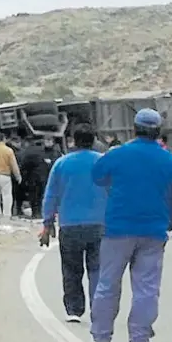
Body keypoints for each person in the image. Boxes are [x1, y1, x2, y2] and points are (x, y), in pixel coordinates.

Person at [90, 108, 172, 342]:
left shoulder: (118, 154)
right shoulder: (170, 161)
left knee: (107, 282)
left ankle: (102, 336)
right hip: (153, 232)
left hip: (117, 229)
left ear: (134, 129)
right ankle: (139, 340)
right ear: (159, 132)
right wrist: (171, 222)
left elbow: (97, 176)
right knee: (147, 288)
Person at [40, 123, 107, 323]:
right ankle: (98, 307)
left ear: (73, 142)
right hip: (100, 225)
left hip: (69, 226)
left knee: (71, 269)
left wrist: (47, 222)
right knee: (97, 269)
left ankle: (74, 310)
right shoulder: (104, 163)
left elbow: (51, 195)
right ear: (94, 140)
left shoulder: (61, 164)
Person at [21, 136, 63, 218]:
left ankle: (42, 214)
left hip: (44, 180)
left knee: (42, 198)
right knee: (38, 197)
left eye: (49, 140)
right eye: (47, 140)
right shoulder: (38, 152)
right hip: (38, 180)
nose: (48, 142)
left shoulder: (56, 153)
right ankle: (39, 214)